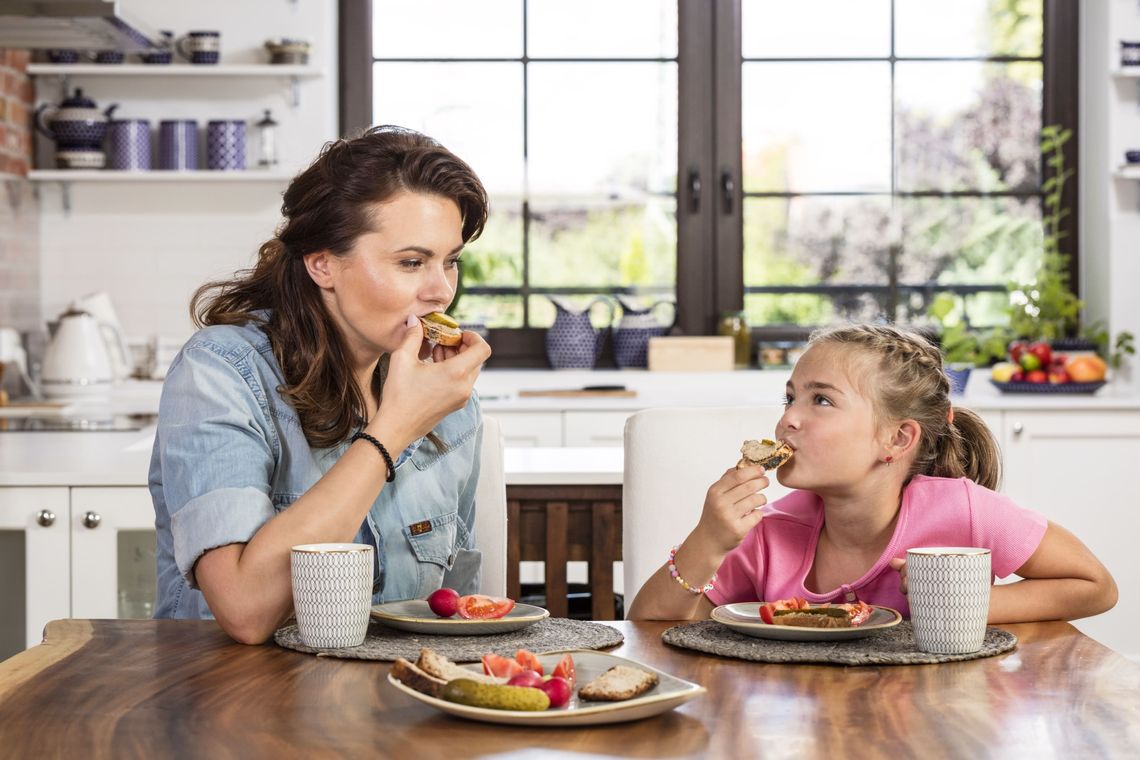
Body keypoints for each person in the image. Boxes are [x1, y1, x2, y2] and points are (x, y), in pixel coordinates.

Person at [150, 125, 493, 644]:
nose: (441, 291)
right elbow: (245, 610)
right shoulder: (221, 371)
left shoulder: (449, 402)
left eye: (450, 261)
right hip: (231, 702)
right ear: (322, 263)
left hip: (388, 704)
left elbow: (450, 617)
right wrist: (394, 428)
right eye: (411, 262)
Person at [628, 323, 1118, 623]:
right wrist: (708, 540)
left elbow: (1095, 586)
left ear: (897, 439)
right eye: (790, 397)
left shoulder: (961, 512)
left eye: (820, 400)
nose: (788, 419)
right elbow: (651, 626)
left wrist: (958, 602)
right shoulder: (770, 532)